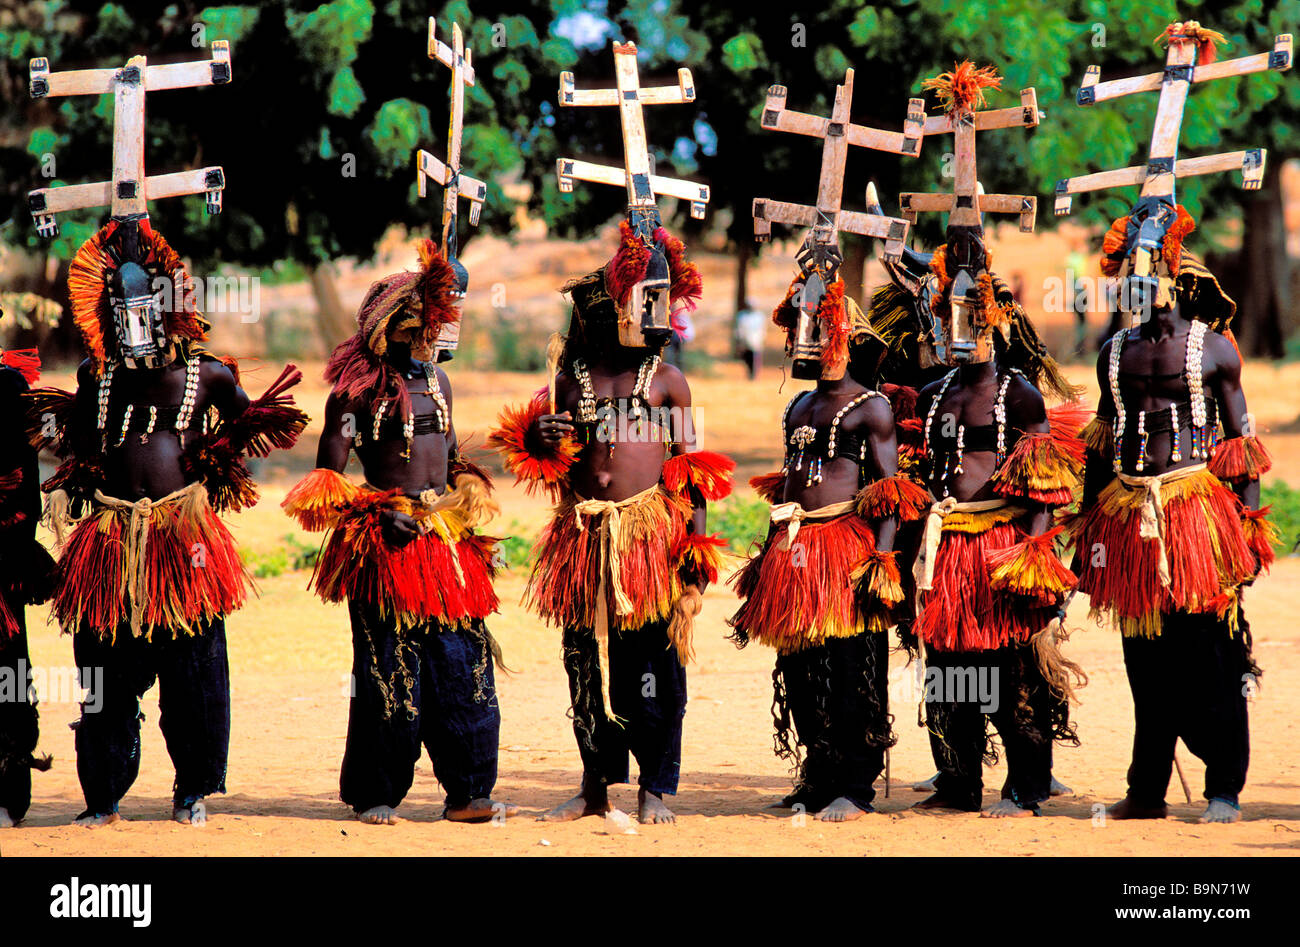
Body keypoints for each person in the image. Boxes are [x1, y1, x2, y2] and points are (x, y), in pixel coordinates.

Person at [29, 217, 307, 826]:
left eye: (145, 314)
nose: (135, 329)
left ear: (169, 310)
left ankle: (192, 791)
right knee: (103, 673)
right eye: (120, 316)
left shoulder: (207, 375)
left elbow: (249, 423)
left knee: (193, 670)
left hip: (184, 545)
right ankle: (101, 797)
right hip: (107, 541)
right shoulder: (95, 378)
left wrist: (215, 462)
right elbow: (76, 444)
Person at [490, 217, 734, 824]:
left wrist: (695, 565)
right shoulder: (568, 382)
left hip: (649, 543)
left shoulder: (669, 383)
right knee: (583, 662)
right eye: (637, 302)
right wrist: (537, 437)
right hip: (583, 539)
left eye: (657, 302)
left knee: (650, 664)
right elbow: (540, 462)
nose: (647, 315)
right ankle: (594, 784)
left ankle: (655, 786)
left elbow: (694, 472)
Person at [283, 240, 515, 825]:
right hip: (388, 547)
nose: (436, 338)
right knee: (389, 669)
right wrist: (376, 514)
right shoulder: (353, 394)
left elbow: (450, 455)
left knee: (462, 665)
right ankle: (377, 792)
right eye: (426, 327)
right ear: (394, 329)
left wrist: (469, 487)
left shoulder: (439, 381)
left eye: (439, 326)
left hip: (448, 545)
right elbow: (325, 485)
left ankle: (467, 791)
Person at [1068, 197, 1274, 824]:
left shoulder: (1214, 351)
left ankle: (1223, 788)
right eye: (1132, 264)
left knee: (1209, 654)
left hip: (1195, 514)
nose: (1140, 276)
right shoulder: (1114, 353)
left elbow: (1241, 445)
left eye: (1150, 262)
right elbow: (1103, 446)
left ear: (1172, 269)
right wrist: (1084, 531)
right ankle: (1147, 790)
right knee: (1144, 659)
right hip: (1129, 516)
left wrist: (1249, 525)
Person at [729, 237, 928, 821]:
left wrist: (883, 562)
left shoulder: (872, 407)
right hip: (795, 548)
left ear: (843, 335)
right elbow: (790, 483)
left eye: (819, 330)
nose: (808, 343)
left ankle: (855, 784)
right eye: (800, 331)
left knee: (851, 665)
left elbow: (891, 492)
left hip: (848, 549)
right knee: (798, 666)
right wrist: (768, 557)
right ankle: (816, 777)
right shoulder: (798, 408)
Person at [0, 329, 53, 827]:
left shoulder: (10, 388)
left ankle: (8, 789)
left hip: (0, 557)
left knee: (8, 669)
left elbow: (26, 482)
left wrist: (14, 540)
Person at [735, 298, 765, 380]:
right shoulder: (742, 316)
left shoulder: (759, 316)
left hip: (756, 341)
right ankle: (749, 374)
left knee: (755, 359)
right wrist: (739, 341)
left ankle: (754, 376)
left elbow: (762, 329)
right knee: (747, 359)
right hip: (745, 341)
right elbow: (739, 329)